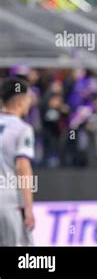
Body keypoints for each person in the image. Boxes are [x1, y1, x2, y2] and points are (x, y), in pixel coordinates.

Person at [0, 78, 35, 246]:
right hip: (8, 202)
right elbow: (23, 167)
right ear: (21, 101)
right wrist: (28, 207)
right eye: (29, 98)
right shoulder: (22, 129)